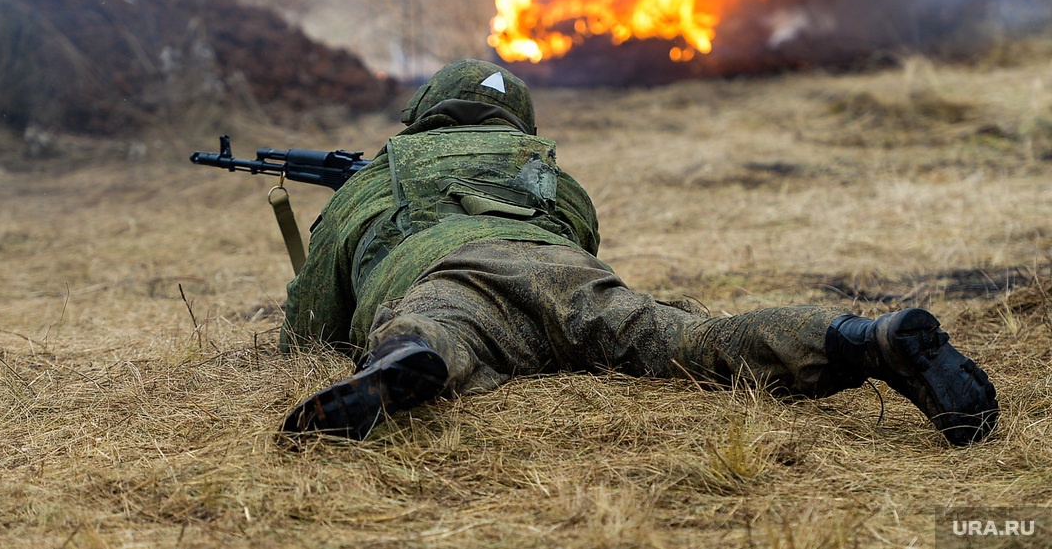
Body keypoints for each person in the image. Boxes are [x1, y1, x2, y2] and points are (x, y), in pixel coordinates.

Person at [279, 59, 999, 446]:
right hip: (573, 279)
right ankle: (861, 338)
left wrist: (306, 336)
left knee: (439, 323)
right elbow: (579, 238)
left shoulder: (379, 175)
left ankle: (406, 359)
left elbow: (311, 313)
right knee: (691, 338)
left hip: (449, 275)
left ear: (427, 113)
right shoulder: (555, 178)